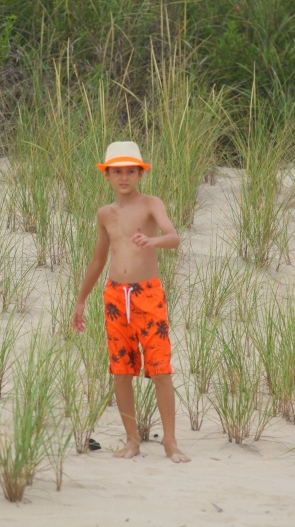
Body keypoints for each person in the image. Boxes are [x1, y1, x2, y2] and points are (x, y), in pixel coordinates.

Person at [71, 141, 190, 463]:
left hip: (147, 295)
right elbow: (98, 259)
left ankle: (170, 441)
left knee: (161, 369)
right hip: (113, 296)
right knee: (121, 370)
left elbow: (174, 236)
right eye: (117, 171)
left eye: (130, 171)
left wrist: (153, 240)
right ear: (107, 175)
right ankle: (131, 440)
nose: (124, 177)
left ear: (140, 173)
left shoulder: (152, 203)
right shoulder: (105, 214)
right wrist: (81, 300)